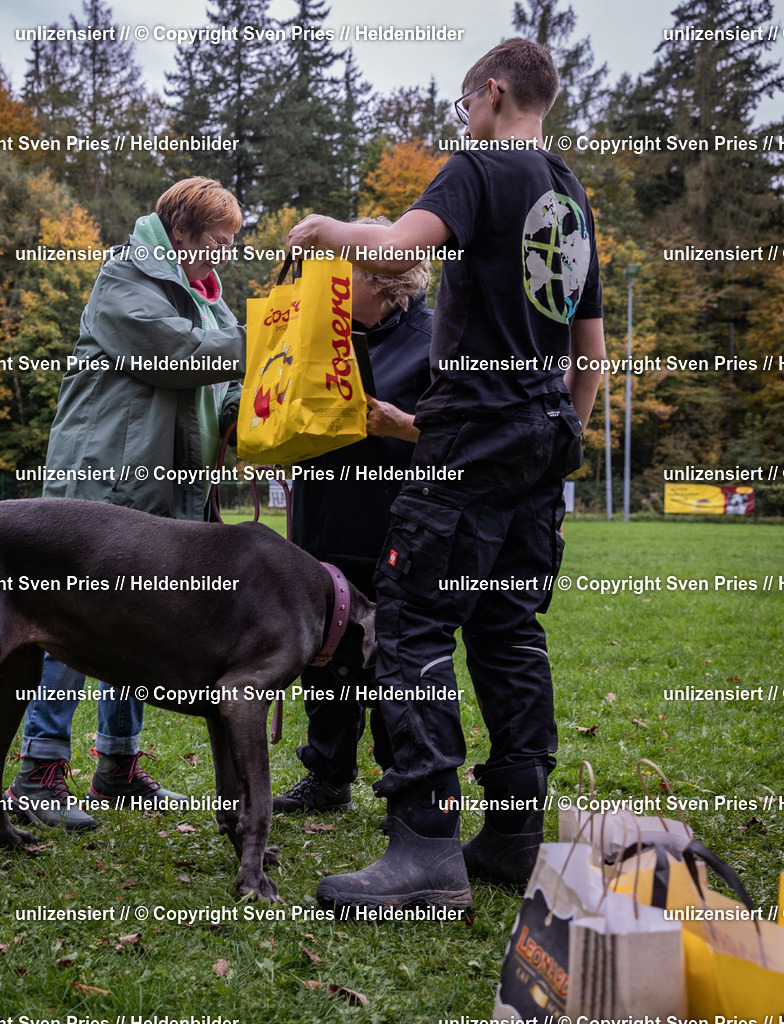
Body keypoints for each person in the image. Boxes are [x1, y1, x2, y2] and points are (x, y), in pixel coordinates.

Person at [288, 38, 605, 913]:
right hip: (540, 436)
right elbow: (593, 357)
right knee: (508, 631)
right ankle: (513, 834)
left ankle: (425, 848)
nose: (464, 116)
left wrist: (325, 233)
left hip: (468, 439)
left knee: (413, 623)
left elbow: (394, 242)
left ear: (493, 92)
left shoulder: (482, 164)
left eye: (468, 101)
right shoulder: (570, 197)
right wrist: (556, 436)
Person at [5, 177, 247, 830]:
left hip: (164, 490)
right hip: (103, 485)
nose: (222, 257)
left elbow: (217, 390)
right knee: (69, 622)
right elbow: (173, 358)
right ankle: (38, 772)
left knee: (136, 623)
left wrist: (258, 407)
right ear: (180, 233)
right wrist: (268, 349)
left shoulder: (211, 305)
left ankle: (117, 769)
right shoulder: (125, 278)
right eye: (216, 244)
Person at [273, 220, 432, 814]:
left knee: (395, 657)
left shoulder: (436, 339)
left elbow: (465, 438)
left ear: (385, 283)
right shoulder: (322, 330)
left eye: (346, 271)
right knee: (327, 650)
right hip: (320, 519)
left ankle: (405, 781)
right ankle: (327, 774)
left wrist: (400, 426)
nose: (334, 280)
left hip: (393, 524)